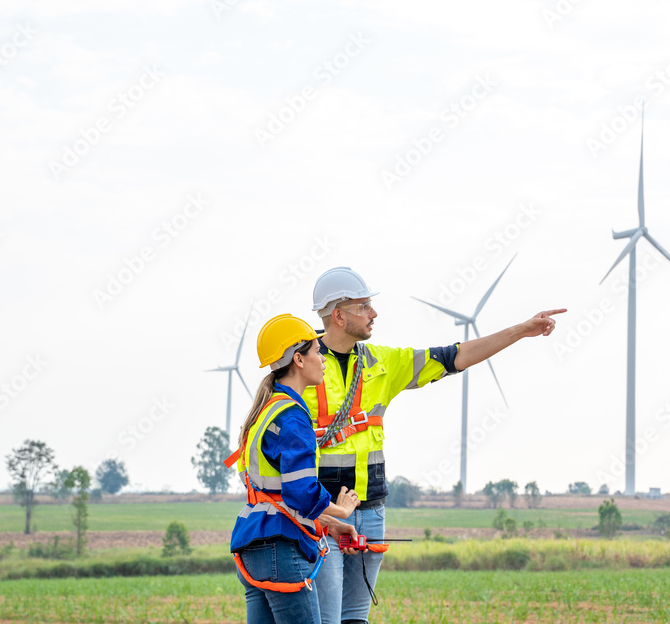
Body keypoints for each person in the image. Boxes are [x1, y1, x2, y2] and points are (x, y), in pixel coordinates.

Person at [304, 266, 566, 624]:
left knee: (355, 618)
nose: (374, 313)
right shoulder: (302, 365)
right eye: (364, 306)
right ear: (338, 315)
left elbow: (453, 356)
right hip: (326, 514)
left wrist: (521, 330)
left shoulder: (382, 361)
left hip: (372, 511)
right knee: (326, 618)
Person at [228, 313, 364, 624]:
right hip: (282, 550)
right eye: (318, 351)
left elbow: (273, 496)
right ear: (299, 359)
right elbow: (300, 494)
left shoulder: (266, 411)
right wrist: (342, 511)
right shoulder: (293, 417)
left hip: (252, 547)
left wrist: (329, 524)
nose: (324, 359)